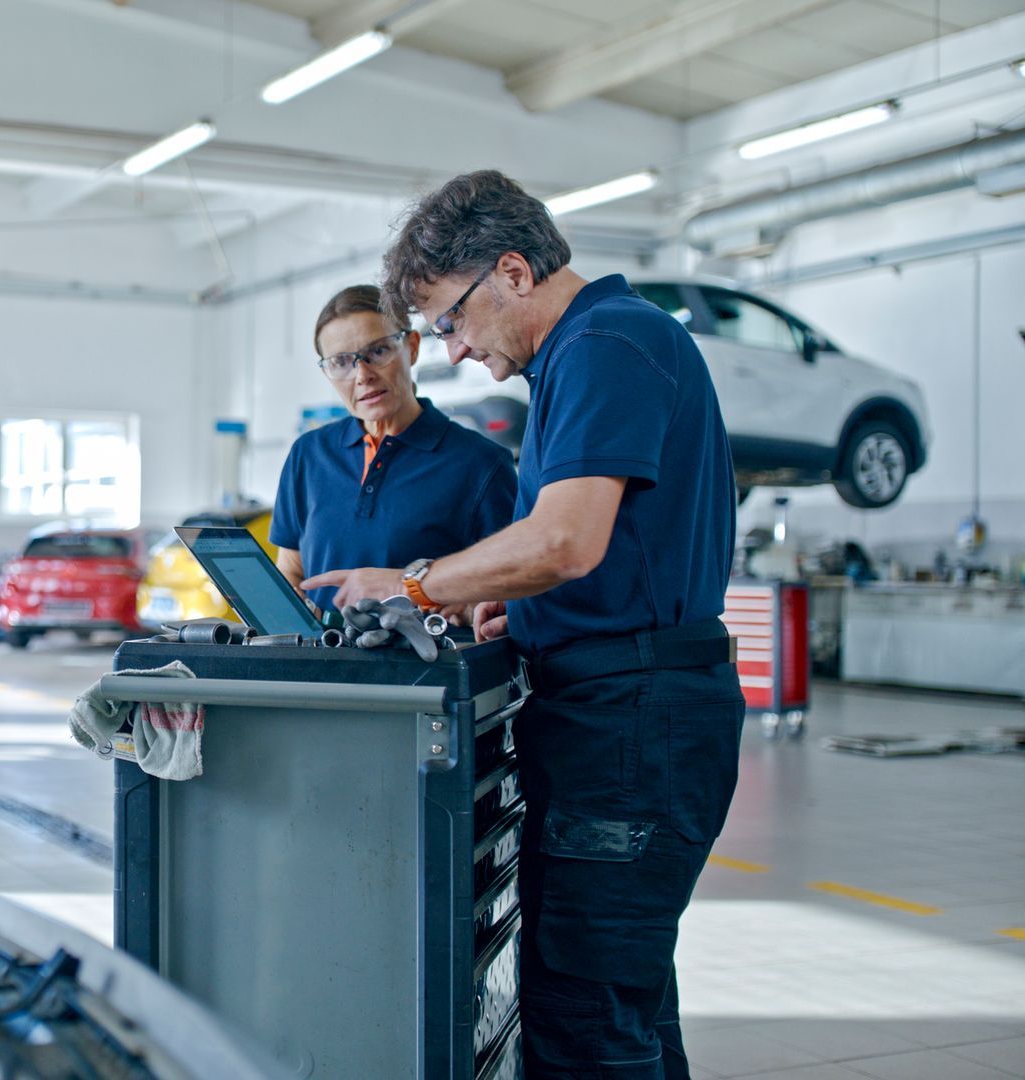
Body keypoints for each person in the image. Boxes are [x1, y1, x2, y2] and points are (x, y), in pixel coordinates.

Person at [302, 171, 743, 1079]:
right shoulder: (598, 349)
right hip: (628, 708)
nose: (455, 352)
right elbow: (606, 553)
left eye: (451, 321)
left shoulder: (605, 344)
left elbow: (564, 539)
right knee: (626, 1005)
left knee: (584, 1021)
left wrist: (417, 586)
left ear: (511, 270)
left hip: (631, 721)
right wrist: (520, 600)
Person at [272, 284, 515, 615]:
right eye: (341, 362)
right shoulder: (309, 455)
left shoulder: (481, 464)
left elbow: (508, 591)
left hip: (427, 662)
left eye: (378, 352)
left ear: (412, 347)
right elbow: (291, 571)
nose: (362, 375)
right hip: (322, 662)